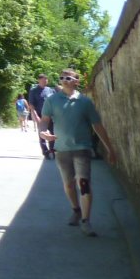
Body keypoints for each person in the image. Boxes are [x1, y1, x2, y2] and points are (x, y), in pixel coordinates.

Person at [38, 68, 118, 237]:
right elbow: (44, 120)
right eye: (61, 78)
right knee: (68, 184)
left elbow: (97, 126)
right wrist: (43, 132)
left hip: (82, 149)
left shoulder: (85, 102)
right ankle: (76, 210)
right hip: (62, 150)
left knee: (84, 183)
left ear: (76, 81)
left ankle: (86, 221)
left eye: (68, 78)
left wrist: (110, 149)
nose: (64, 80)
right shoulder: (52, 100)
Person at [28, 74, 57, 158]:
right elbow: (31, 104)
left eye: (46, 80)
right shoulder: (34, 91)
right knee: (42, 133)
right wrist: (35, 115)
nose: (46, 81)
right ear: (39, 80)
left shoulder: (51, 90)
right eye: (44, 80)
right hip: (40, 115)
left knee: (52, 132)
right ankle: (45, 151)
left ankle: (52, 150)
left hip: (51, 115)